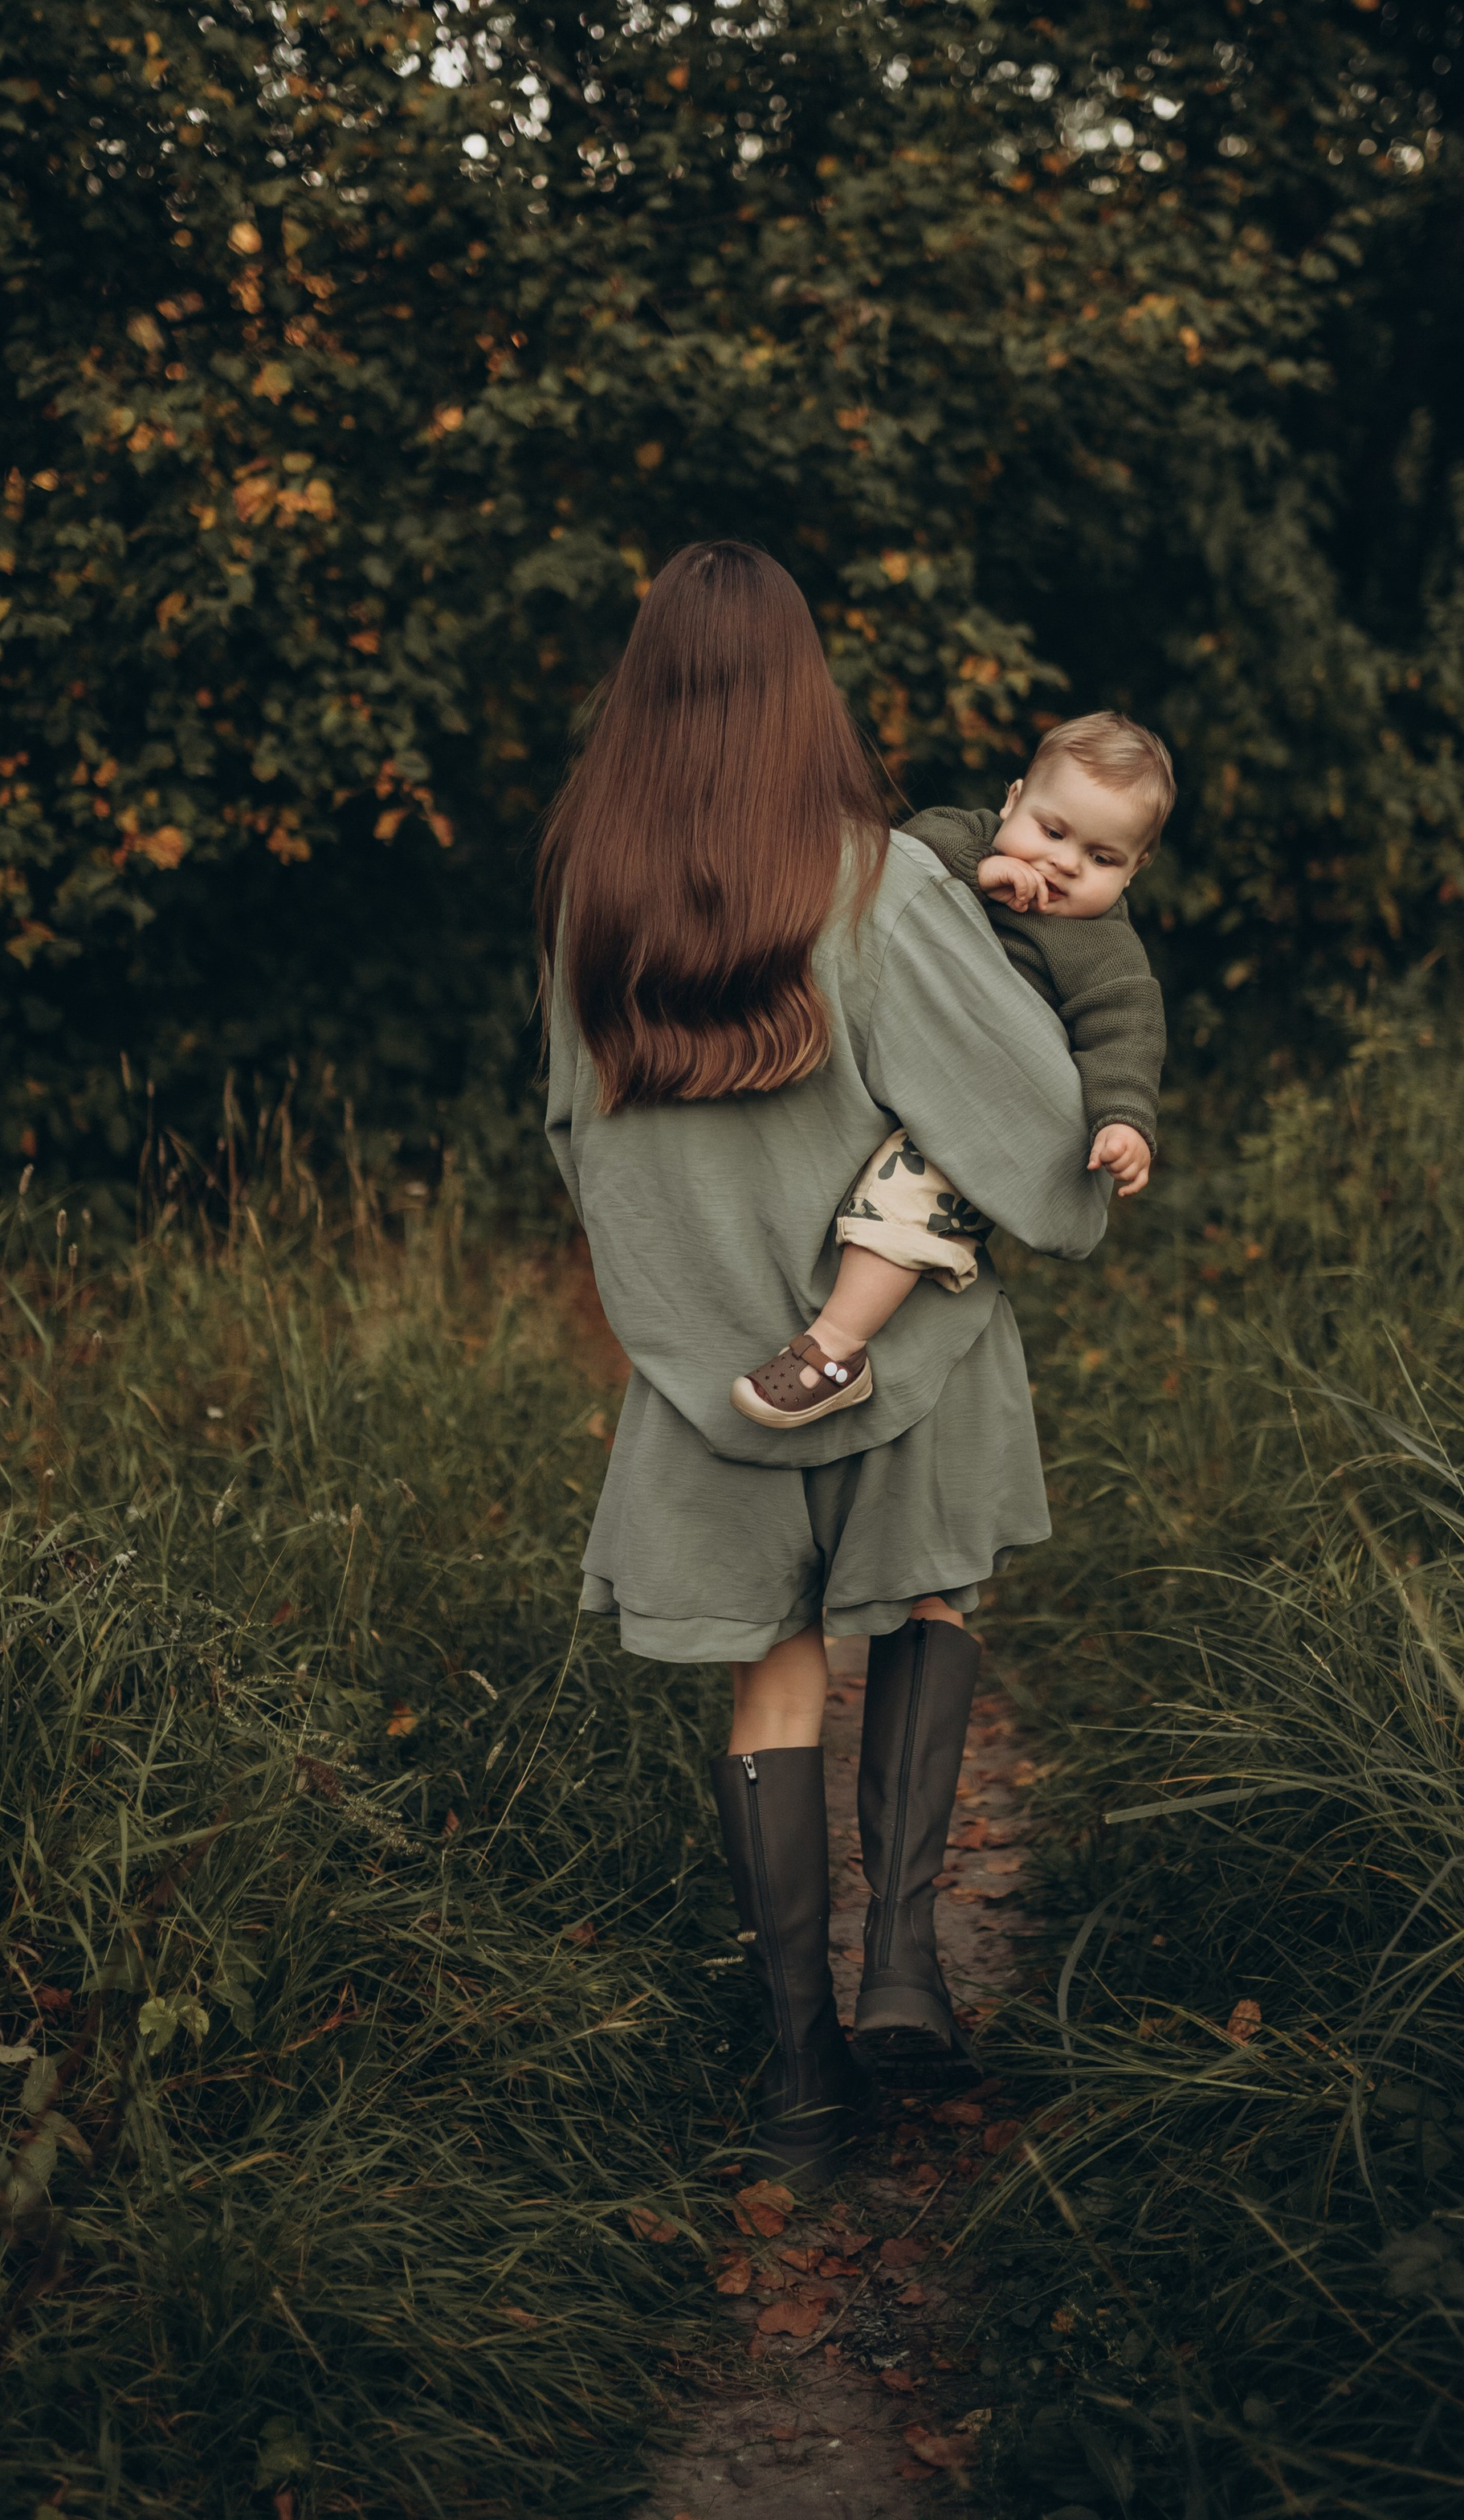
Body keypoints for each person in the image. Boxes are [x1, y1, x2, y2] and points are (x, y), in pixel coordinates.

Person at [537, 541, 1112, 2179]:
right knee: (924, 1601)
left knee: (770, 1670)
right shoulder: (879, 884)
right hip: (902, 1347)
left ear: (645, 697)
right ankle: (907, 1968)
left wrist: (683, 1313)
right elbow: (1039, 1136)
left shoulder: (592, 900)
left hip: (699, 1368)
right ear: (804, 696)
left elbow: (572, 1135)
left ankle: (799, 2071)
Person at [729, 713, 1171, 1431]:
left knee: (909, 1200)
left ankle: (838, 1351)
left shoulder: (1102, 949)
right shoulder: (964, 838)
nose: (1061, 864)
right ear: (1014, 800)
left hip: (979, 1108)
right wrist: (975, 872)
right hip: (894, 1060)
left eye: (1101, 859)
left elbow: (1126, 1032)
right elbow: (900, 852)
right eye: (1052, 832)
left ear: (1135, 869)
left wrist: (1125, 1120)